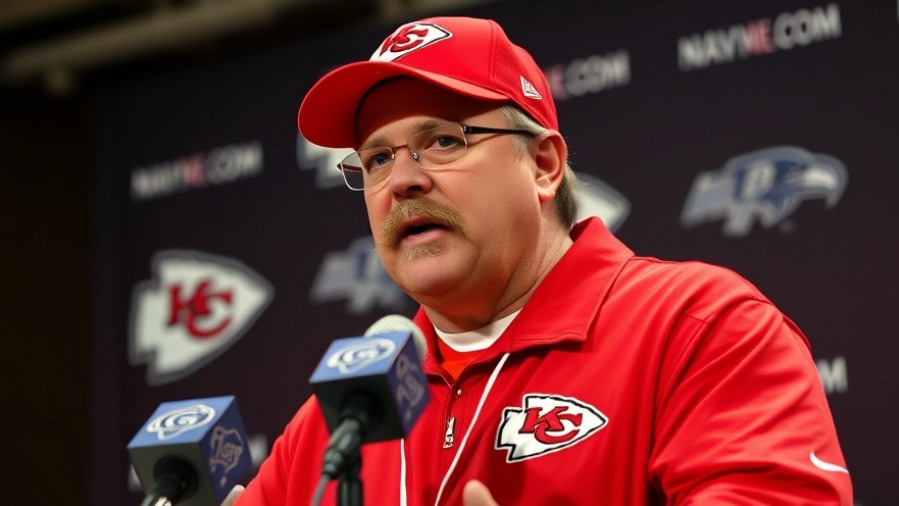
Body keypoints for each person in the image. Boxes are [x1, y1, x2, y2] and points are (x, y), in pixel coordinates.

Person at [235, 16, 853, 505]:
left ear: (543, 165)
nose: (401, 181)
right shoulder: (338, 418)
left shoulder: (696, 327)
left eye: (443, 141)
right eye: (375, 159)